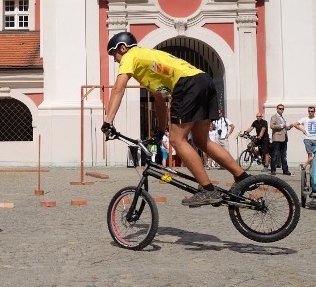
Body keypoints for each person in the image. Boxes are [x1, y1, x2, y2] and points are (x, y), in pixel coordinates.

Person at [101, 32, 250, 207]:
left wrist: (108, 121)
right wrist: (159, 130)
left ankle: (208, 190)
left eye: (114, 54)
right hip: (203, 80)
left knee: (177, 140)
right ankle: (242, 177)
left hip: (186, 85)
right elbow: (159, 101)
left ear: (123, 48)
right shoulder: (148, 61)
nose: (114, 60)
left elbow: (118, 90)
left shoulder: (130, 56)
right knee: (202, 140)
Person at [292, 106, 316, 171]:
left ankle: (304, 165)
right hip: (307, 138)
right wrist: (302, 129)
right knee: (310, 154)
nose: (310, 112)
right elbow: (295, 124)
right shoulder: (305, 119)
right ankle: (311, 168)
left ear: (314, 112)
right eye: (309, 111)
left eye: (312, 111)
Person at [269, 103, 292, 176]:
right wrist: (282, 125)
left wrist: (289, 127)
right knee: (275, 154)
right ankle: (273, 170)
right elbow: (272, 126)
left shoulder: (282, 117)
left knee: (284, 155)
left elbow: (284, 128)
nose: (281, 110)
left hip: (284, 138)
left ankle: (285, 170)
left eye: (282, 109)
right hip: (277, 138)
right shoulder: (274, 117)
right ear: (277, 109)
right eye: (280, 108)